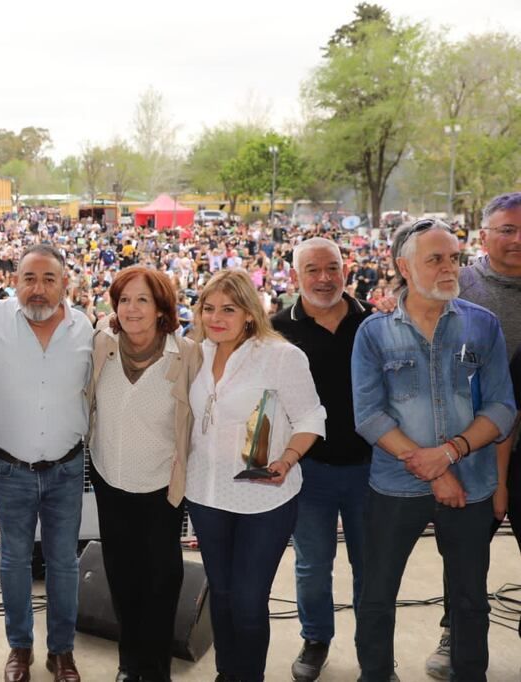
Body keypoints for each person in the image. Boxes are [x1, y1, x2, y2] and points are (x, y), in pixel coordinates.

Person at [351, 219, 516, 682]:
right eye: (436, 259)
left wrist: (449, 454)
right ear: (405, 267)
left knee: (469, 598)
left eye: (455, 258)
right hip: (395, 486)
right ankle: (376, 674)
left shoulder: (483, 325)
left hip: (472, 482)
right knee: (377, 594)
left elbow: (503, 407)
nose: (450, 268)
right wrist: (432, 466)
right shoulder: (374, 332)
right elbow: (370, 416)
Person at [185, 269, 326, 682]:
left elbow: (311, 416)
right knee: (222, 596)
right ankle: (227, 673)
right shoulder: (198, 353)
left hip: (263, 498)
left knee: (248, 601)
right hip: (205, 494)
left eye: (228, 309)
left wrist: (288, 457)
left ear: (249, 313)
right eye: (208, 308)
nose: (216, 317)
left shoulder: (281, 356)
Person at [0, 244, 93, 682]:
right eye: (29, 279)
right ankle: (19, 649)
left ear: (66, 283)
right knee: (13, 561)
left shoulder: (88, 329)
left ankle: (61, 652)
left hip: (66, 467)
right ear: (15, 282)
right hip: (9, 468)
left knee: (64, 563)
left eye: (48, 279)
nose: (38, 290)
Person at [86, 266, 201, 682]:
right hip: (109, 480)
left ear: (161, 308)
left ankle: (156, 669)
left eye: (143, 300)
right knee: (121, 577)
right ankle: (129, 663)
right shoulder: (102, 344)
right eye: (124, 299)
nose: (132, 309)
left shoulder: (186, 353)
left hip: (160, 487)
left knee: (161, 580)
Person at [424, 192, 521, 678]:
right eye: (506, 229)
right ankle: (454, 633)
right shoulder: (456, 282)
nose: (517, 239)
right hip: (469, 446)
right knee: (463, 554)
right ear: (483, 235)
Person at [271, 238, 374, 681]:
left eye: (332, 268)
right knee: (312, 564)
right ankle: (316, 640)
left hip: (371, 468)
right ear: (296, 275)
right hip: (308, 470)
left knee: (371, 565)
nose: (324, 278)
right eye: (313, 270)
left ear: (345, 270)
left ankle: (373, 645)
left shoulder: (374, 322)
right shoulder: (276, 328)